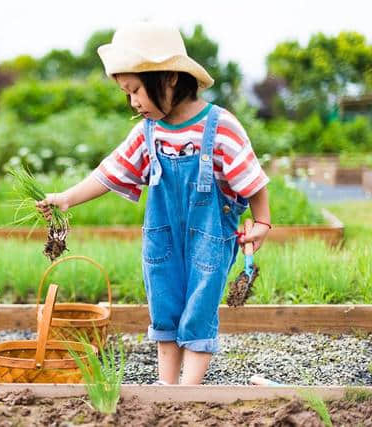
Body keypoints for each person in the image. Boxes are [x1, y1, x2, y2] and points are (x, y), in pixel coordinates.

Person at [37, 23, 271, 385]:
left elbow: (252, 179)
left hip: (209, 238)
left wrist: (262, 223)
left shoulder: (219, 126)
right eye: (126, 93)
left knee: (199, 307)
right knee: (164, 307)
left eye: (135, 90)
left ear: (170, 78)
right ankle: (166, 387)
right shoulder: (148, 133)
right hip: (162, 240)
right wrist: (66, 198)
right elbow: (110, 172)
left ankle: (188, 392)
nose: (133, 102)